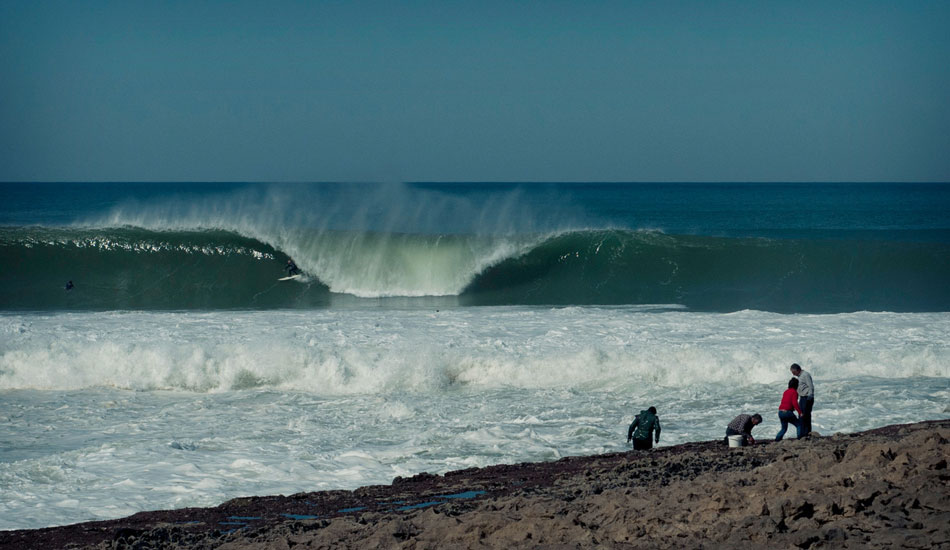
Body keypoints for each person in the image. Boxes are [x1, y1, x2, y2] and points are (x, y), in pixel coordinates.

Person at [790, 363, 815, 438]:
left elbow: (810, 386)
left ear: (797, 370)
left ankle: (807, 433)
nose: (793, 374)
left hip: (807, 397)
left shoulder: (805, 375)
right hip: (802, 397)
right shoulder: (800, 376)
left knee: (805, 415)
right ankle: (803, 433)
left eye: (793, 372)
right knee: (802, 415)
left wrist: (810, 396)